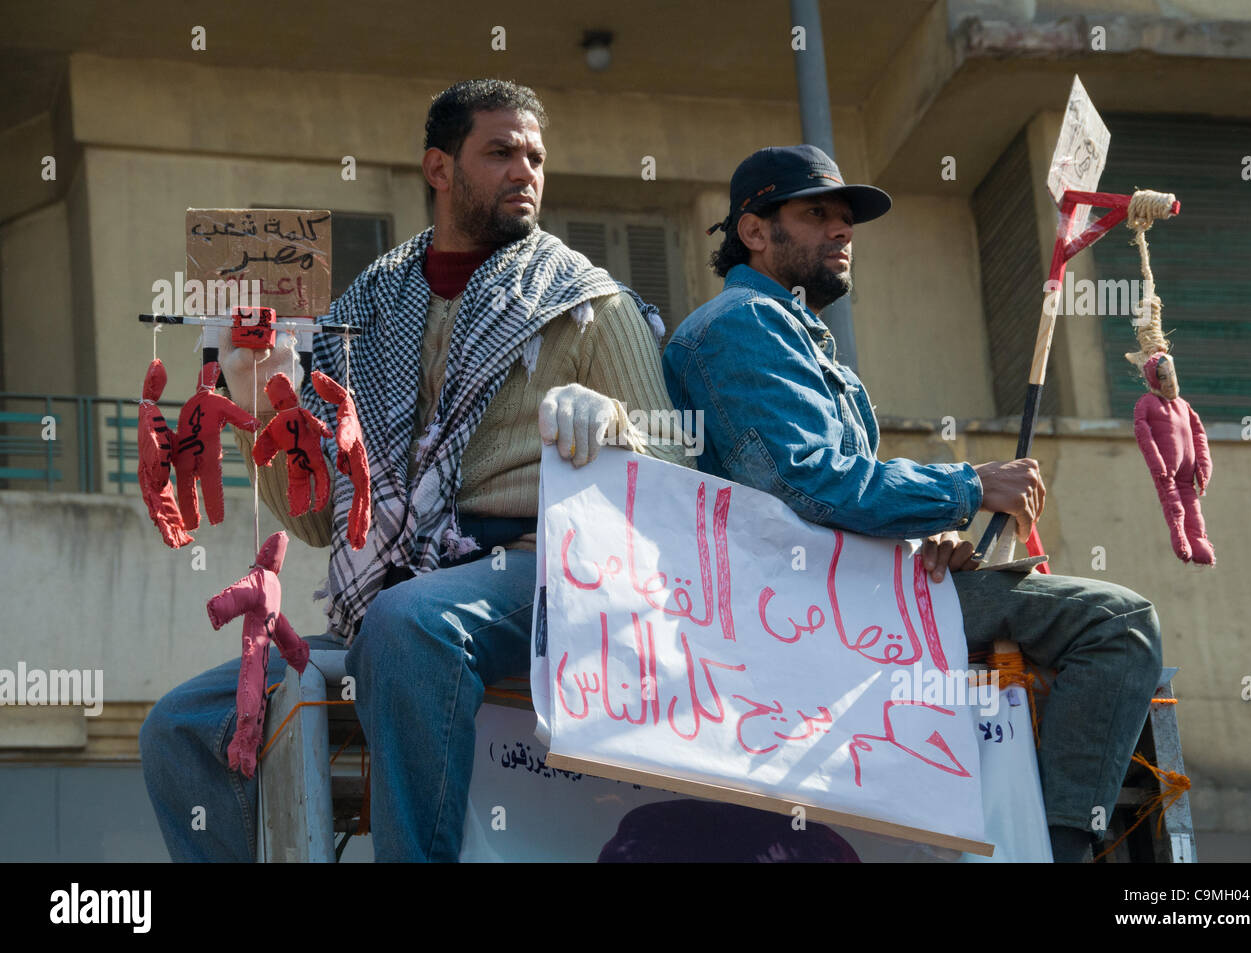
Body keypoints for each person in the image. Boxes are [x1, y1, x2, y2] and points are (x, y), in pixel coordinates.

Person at [140, 79, 690, 862]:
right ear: (439, 167)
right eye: (499, 152)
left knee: (408, 626)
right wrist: (264, 405)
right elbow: (320, 518)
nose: (524, 172)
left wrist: (618, 425)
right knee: (180, 729)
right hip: (392, 592)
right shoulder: (366, 308)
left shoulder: (589, 303)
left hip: (547, 575)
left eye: (535, 156)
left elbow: (680, 465)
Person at [661, 144, 1163, 863]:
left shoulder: (796, 334)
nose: (841, 231)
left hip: (857, 591)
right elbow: (806, 483)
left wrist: (918, 547)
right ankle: (1057, 849)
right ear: (754, 231)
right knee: (1117, 624)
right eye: (816, 214)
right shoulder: (742, 326)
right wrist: (965, 488)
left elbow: (828, 496)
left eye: (846, 219)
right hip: (807, 608)